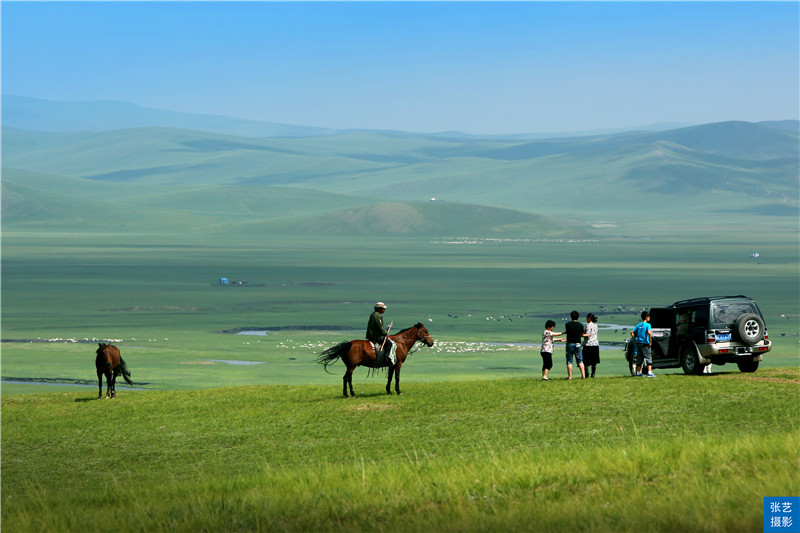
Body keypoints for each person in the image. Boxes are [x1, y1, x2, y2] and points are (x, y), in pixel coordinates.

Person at [631, 310, 655, 377]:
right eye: (649, 317)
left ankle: (638, 373)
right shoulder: (648, 325)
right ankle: (650, 372)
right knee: (648, 357)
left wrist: (635, 340)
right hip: (645, 344)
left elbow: (631, 332)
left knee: (640, 358)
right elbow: (649, 333)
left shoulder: (639, 325)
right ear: (647, 317)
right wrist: (650, 341)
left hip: (639, 344)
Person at [564, 310, 586, 379]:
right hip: (578, 343)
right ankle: (583, 375)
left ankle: (570, 376)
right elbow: (582, 334)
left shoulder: (567, 324)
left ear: (571, 317)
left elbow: (567, 332)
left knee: (569, 361)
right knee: (580, 360)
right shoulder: (580, 325)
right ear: (578, 317)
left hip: (570, 343)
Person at [582, 313, 600, 378]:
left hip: (588, 344)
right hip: (595, 343)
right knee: (594, 361)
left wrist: (581, 335)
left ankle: (587, 372)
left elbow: (588, 334)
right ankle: (593, 373)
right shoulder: (596, 326)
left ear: (589, 318)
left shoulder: (587, 326)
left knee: (585, 360)